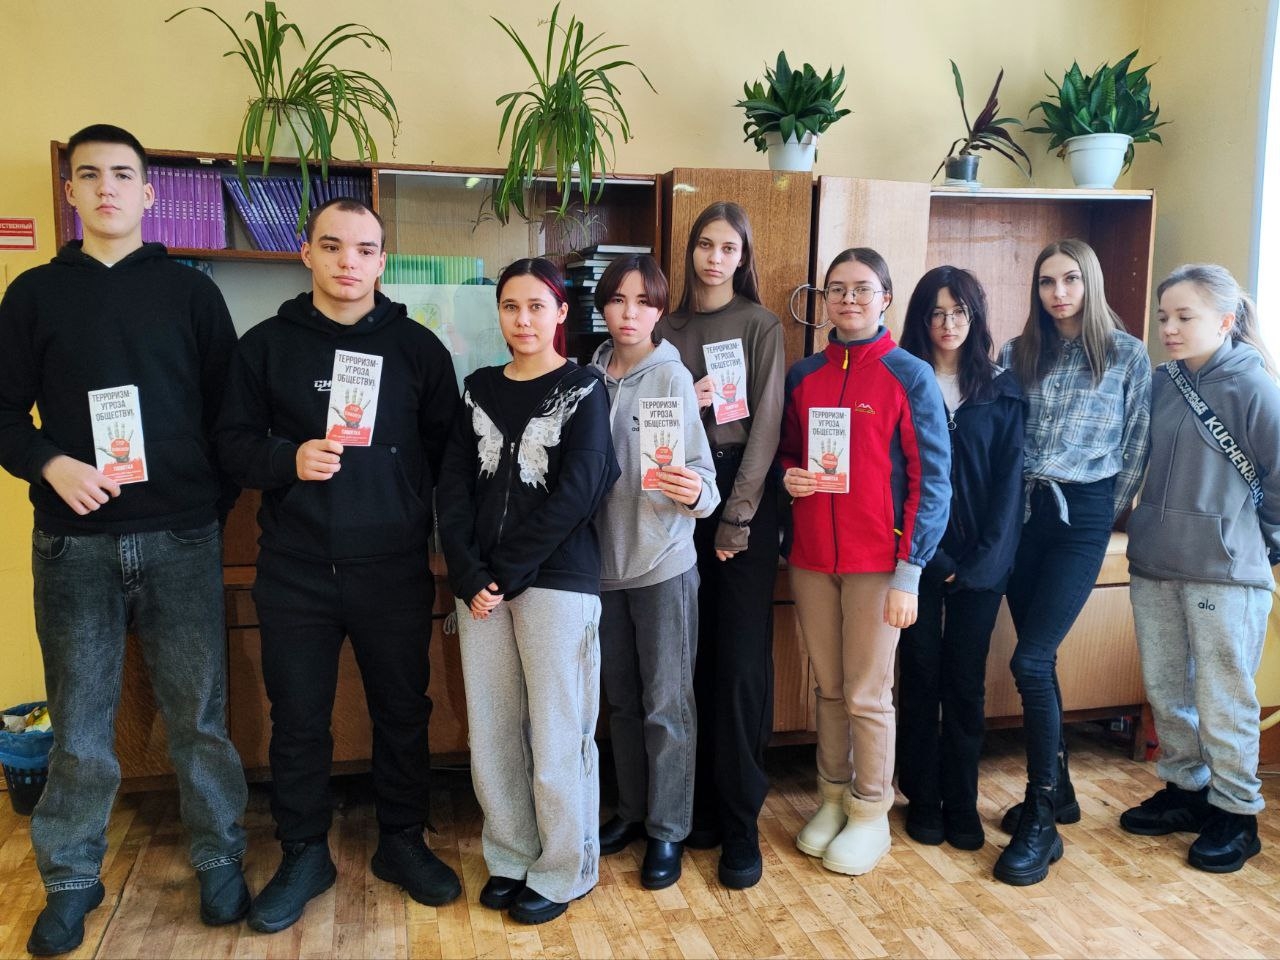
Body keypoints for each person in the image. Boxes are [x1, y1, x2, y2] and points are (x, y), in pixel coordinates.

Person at [0, 124, 248, 956]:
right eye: (89, 175)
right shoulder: (34, 293)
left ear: (148, 193)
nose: (105, 187)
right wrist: (50, 463)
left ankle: (219, 856)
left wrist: (202, 504)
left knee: (199, 719)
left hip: (181, 538)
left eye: (121, 174)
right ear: (70, 191)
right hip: (74, 545)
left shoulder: (191, 294)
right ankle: (71, 880)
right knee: (79, 727)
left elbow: (228, 417)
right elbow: (3, 414)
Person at [216, 197, 462, 932]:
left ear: (382, 260)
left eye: (363, 249)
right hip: (295, 568)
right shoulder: (265, 346)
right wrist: (287, 458)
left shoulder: (418, 349)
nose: (348, 262)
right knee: (297, 719)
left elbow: (448, 455)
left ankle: (402, 840)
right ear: (307, 254)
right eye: (332, 246)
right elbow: (231, 445)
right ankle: (303, 852)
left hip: (392, 566)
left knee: (403, 712)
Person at [437, 258, 619, 924]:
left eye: (537, 306)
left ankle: (565, 868)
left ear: (561, 313)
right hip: (480, 589)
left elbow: (579, 492)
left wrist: (501, 573)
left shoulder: (586, 388)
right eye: (511, 307)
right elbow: (453, 487)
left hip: (556, 584)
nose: (523, 320)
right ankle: (512, 856)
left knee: (558, 734)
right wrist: (467, 572)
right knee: (491, 735)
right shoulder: (478, 389)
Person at [778, 247, 950, 876]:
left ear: (885, 298)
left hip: (880, 564)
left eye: (861, 288)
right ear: (823, 300)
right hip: (811, 561)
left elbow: (933, 480)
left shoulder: (909, 375)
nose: (848, 299)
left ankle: (872, 810)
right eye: (836, 289)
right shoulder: (804, 376)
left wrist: (910, 572)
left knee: (866, 694)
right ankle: (831, 799)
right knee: (827, 688)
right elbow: (785, 453)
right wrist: (789, 476)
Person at [993, 238, 1151, 886]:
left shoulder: (1126, 354)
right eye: (1047, 282)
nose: (1058, 293)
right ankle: (1058, 791)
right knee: (1043, 657)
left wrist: (1099, 515)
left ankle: (1040, 815)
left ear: (1090, 283)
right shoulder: (1016, 353)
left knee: (1029, 660)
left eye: (1070, 280)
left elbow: (1136, 445)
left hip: (1081, 516)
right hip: (1022, 515)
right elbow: (1002, 437)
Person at [1121, 263, 1280, 873]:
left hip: (1226, 571)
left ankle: (1237, 814)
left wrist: (1261, 542)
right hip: (1154, 561)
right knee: (1167, 689)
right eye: (1164, 317)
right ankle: (1185, 790)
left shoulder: (1254, 387)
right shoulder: (1161, 382)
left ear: (1225, 320)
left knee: (1224, 696)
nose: (1169, 328)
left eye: (1184, 317)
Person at [654, 201, 785, 888]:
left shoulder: (760, 324)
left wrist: (736, 518)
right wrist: (691, 404)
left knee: (736, 665)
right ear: (690, 250)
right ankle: (696, 805)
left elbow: (766, 426)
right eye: (705, 244)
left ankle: (740, 821)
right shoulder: (666, 326)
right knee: (686, 660)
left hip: (740, 497)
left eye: (728, 247)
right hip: (673, 491)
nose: (714, 258)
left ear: (743, 256)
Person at [588, 255, 719, 890]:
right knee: (620, 703)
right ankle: (632, 813)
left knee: (667, 706)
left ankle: (668, 829)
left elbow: (706, 481)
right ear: (602, 308)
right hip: (599, 570)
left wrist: (695, 491)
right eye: (618, 300)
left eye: (643, 302)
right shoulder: (587, 376)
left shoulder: (672, 377)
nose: (629, 313)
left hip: (663, 564)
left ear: (659, 311)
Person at [895, 266, 1024, 851]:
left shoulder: (1001, 390)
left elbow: (1009, 489)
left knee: (966, 684)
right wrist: (934, 557)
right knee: (920, 675)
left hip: (982, 568)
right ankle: (922, 797)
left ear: (976, 318)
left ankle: (962, 800)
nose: (948, 324)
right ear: (920, 319)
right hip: (917, 560)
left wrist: (980, 566)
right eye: (936, 313)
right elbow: (895, 483)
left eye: (960, 313)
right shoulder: (904, 382)